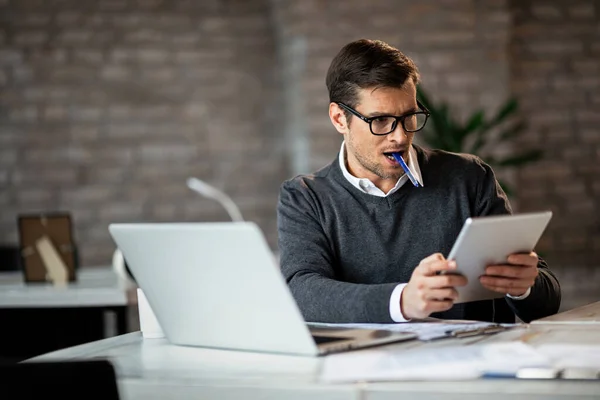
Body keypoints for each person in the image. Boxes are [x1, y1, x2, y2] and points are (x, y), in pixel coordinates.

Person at [277, 39, 561, 324]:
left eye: (409, 117)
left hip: (470, 362)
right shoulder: (305, 197)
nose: (399, 137)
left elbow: (545, 305)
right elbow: (301, 293)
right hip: (365, 367)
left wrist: (524, 286)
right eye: (380, 121)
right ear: (339, 119)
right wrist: (403, 301)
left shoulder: (469, 177)